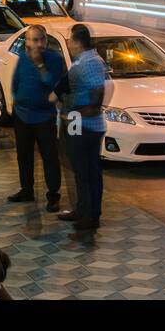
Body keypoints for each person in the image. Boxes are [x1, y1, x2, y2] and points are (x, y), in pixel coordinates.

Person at [56, 23, 110, 243]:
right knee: (82, 172)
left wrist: (79, 114)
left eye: (70, 39)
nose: (68, 43)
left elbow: (97, 97)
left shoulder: (89, 63)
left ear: (77, 42)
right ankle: (82, 211)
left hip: (85, 126)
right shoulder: (85, 61)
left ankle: (88, 220)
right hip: (81, 123)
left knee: (87, 174)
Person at [6, 25, 63, 212]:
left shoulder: (54, 59)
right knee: (23, 156)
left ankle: (53, 195)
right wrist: (15, 100)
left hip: (44, 117)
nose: (37, 43)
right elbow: (15, 81)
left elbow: (55, 85)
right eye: (33, 40)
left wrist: (40, 64)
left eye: (41, 39)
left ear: (46, 40)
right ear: (27, 42)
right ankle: (27, 190)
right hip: (22, 115)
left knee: (50, 158)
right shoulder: (22, 57)